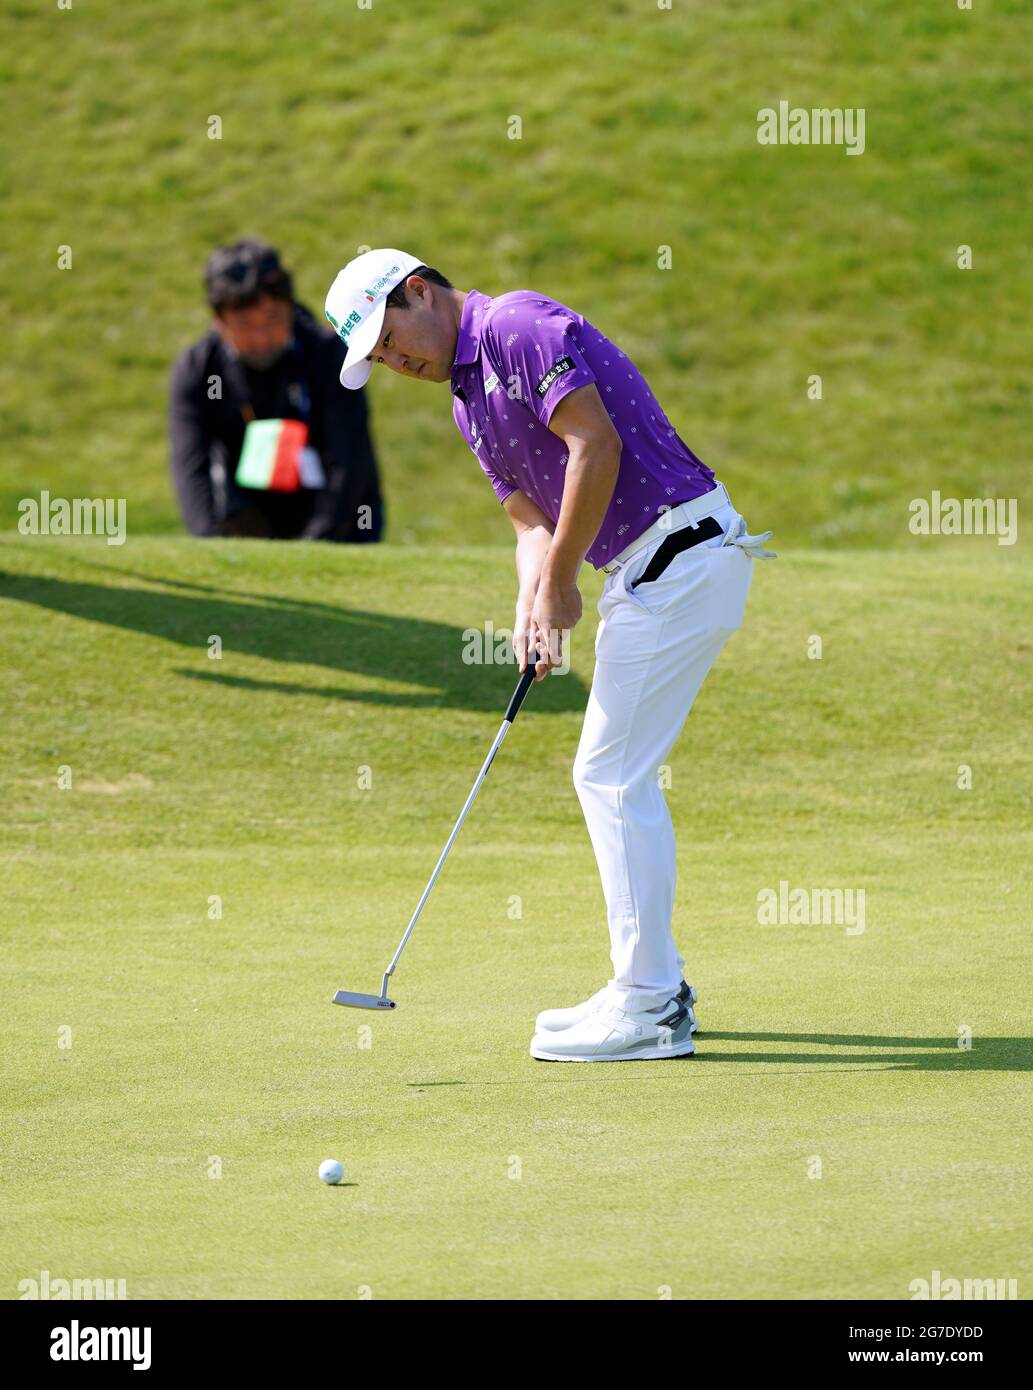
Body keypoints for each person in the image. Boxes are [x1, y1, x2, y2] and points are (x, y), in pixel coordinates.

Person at [324, 248, 774, 1063]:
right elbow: (529, 521)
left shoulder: (515, 326)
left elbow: (591, 446)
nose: (397, 363)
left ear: (418, 292)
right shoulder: (465, 399)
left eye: (392, 340)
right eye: (381, 362)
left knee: (608, 775)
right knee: (609, 773)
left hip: (681, 554)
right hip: (650, 572)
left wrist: (565, 582)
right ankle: (650, 983)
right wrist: (534, 603)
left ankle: (647, 1005)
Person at [169, 239, 383, 541]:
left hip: (339, 520)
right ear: (219, 321)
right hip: (245, 519)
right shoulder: (198, 371)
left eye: (273, 319)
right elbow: (191, 466)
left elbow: (349, 461)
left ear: (290, 307)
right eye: (244, 324)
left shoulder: (329, 356)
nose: (261, 336)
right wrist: (211, 544)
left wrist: (315, 545)